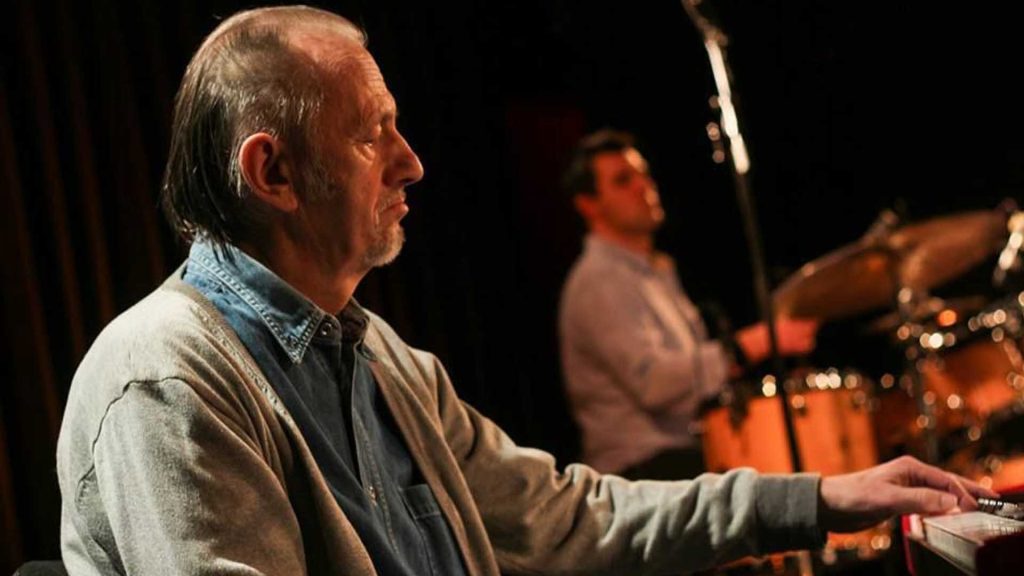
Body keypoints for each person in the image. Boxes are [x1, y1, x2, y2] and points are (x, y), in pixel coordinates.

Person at [56, 6, 994, 576]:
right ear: (274, 173)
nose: (411, 163)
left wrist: (820, 497)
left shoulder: (385, 361)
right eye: (372, 133)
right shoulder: (168, 380)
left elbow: (569, 518)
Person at [559, 129, 821, 480]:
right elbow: (654, 384)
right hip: (641, 472)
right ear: (588, 204)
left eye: (643, 174)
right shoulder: (599, 280)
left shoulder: (652, 271)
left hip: (682, 454)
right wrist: (749, 345)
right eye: (623, 180)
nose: (643, 186)